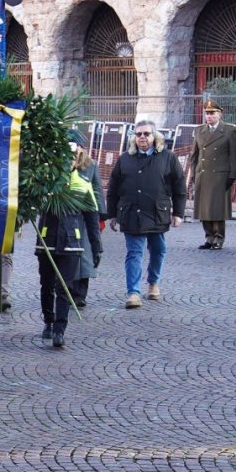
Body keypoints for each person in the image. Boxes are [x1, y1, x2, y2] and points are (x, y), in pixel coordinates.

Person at [104, 119, 186, 308]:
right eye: (139, 134)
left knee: (158, 250)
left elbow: (179, 186)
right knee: (134, 253)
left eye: (146, 134)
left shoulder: (168, 157)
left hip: (157, 212)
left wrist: (179, 213)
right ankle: (133, 292)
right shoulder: (125, 158)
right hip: (132, 213)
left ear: (154, 136)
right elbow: (113, 188)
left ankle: (153, 282)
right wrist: (112, 214)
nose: (142, 137)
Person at [35, 150, 98, 349]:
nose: (66, 159)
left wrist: (97, 247)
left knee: (64, 287)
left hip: (71, 242)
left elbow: (91, 217)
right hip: (47, 240)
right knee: (46, 284)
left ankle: (60, 329)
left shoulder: (82, 182)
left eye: (71, 155)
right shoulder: (44, 181)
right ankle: (48, 320)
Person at [187, 100, 236, 249]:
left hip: (220, 175)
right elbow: (194, 154)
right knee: (204, 208)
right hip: (202, 173)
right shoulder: (199, 130)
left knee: (217, 209)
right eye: (207, 113)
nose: (209, 116)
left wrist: (232, 175)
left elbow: (234, 156)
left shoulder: (229, 130)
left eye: (212, 113)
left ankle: (218, 237)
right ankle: (208, 237)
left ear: (220, 114)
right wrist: (193, 172)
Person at [70, 133, 104, 309]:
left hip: (85, 216)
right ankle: (67, 290)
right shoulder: (61, 165)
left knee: (84, 256)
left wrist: (101, 215)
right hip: (67, 216)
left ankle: (80, 294)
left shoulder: (91, 166)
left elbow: (97, 190)